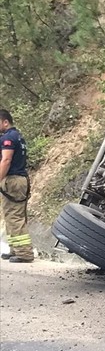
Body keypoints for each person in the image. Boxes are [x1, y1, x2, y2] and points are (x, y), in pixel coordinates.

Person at [0, 108, 34, 263]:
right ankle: (15, 249)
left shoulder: (8, 137)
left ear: (5, 122)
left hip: (13, 179)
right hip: (19, 179)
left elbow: (6, 160)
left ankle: (24, 253)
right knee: (11, 215)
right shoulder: (18, 136)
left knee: (14, 216)